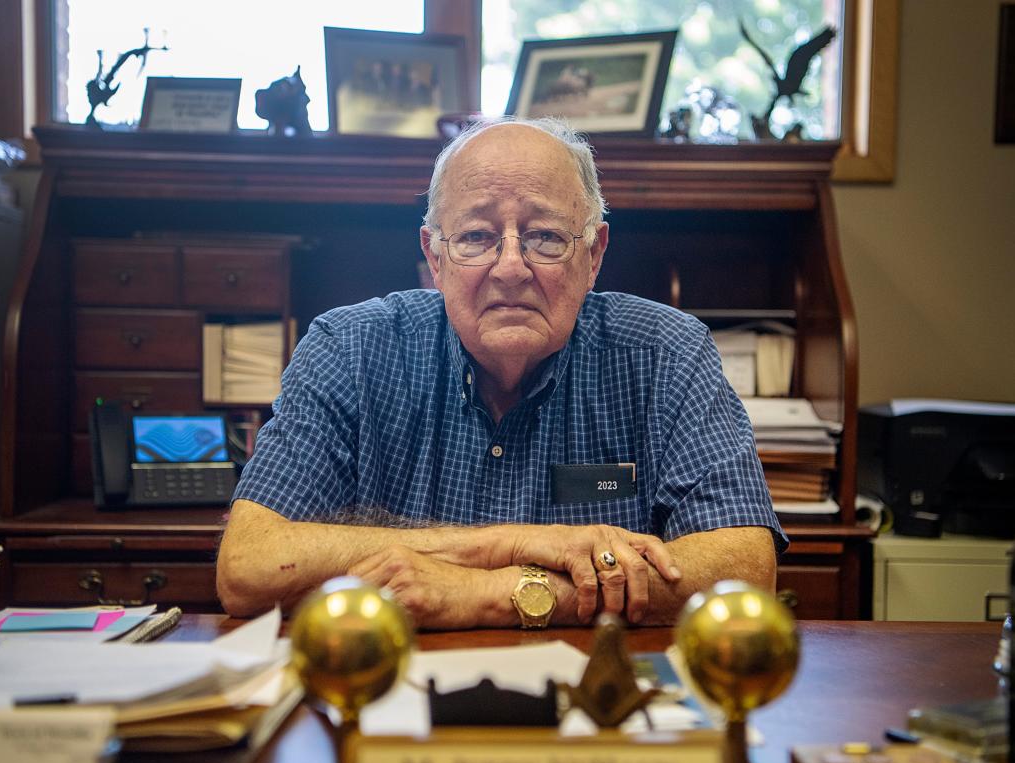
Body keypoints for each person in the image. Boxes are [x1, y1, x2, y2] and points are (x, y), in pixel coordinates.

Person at [216, 118, 785, 628]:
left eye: (544, 237)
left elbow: (742, 569)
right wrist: (517, 542)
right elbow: (248, 566)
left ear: (594, 255)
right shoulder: (348, 350)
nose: (511, 267)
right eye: (476, 237)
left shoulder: (667, 352)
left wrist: (490, 591)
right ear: (434, 258)